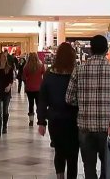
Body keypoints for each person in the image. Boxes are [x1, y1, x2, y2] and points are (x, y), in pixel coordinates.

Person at [65, 35, 110, 179]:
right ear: (106, 50)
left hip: (85, 126)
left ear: (91, 50)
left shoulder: (78, 70)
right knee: (108, 165)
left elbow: (69, 98)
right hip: (108, 127)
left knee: (88, 165)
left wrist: (83, 103)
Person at [37, 42, 79, 179]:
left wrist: (41, 121)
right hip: (74, 118)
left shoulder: (50, 73)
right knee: (73, 154)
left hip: (55, 118)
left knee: (59, 151)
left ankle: (60, 176)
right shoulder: (76, 72)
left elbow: (42, 98)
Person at [23, 52, 45, 126]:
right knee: (38, 104)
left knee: (31, 104)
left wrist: (27, 81)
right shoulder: (41, 65)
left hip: (29, 88)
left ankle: (31, 121)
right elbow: (44, 75)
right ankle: (39, 119)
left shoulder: (26, 67)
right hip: (39, 88)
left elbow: (23, 77)